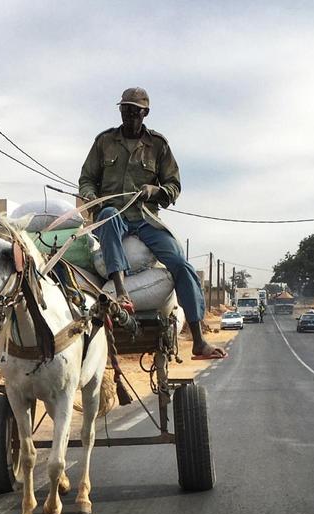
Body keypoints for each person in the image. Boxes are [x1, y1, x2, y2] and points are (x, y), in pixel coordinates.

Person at [79, 87, 226, 359]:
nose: (129, 116)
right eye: (125, 110)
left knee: (181, 265)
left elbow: (174, 186)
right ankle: (121, 293)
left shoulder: (158, 145)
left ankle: (198, 339)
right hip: (114, 214)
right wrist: (89, 196)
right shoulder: (104, 142)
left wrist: (155, 191)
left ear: (145, 113)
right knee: (109, 216)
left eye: (135, 111)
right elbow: (87, 178)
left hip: (146, 218)